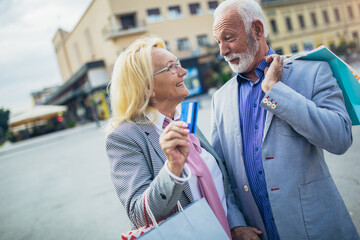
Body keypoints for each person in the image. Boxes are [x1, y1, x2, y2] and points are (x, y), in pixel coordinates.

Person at [211, 0, 359, 240]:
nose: (223, 51)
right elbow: (221, 172)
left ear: (257, 30)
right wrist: (235, 223)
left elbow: (340, 138)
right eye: (218, 42)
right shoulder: (221, 98)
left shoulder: (313, 71)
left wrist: (275, 91)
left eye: (229, 38)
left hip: (317, 230)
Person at [105, 36, 238, 238]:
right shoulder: (124, 137)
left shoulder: (182, 118)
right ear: (147, 86)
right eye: (171, 67)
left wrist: (236, 225)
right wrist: (172, 169)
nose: (183, 72)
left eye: (179, 64)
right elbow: (139, 214)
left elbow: (222, 182)